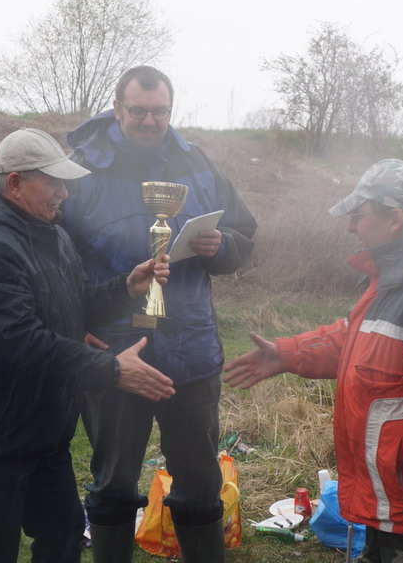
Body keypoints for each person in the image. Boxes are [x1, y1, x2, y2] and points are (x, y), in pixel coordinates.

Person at [223, 159, 403, 563]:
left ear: (395, 218)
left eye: (358, 216)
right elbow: (360, 338)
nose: (350, 227)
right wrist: (288, 354)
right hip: (401, 495)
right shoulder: (402, 271)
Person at [0, 127, 177, 563]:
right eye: (53, 182)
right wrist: (112, 369)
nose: (64, 193)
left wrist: (126, 288)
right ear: (16, 184)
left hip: (42, 428)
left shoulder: (51, 236)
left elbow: (73, 306)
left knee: (63, 537)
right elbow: (23, 344)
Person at [60, 65, 257, 563]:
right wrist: (73, 326)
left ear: (171, 109)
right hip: (114, 352)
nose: (150, 121)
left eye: (159, 111)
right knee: (114, 481)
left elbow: (244, 236)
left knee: (199, 480)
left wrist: (222, 246)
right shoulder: (79, 171)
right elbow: (54, 260)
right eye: (139, 111)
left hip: (190, 350)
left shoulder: (199, 164)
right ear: (116, 107)